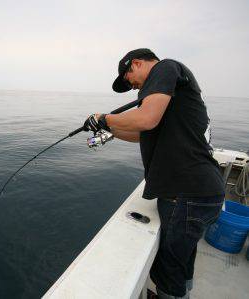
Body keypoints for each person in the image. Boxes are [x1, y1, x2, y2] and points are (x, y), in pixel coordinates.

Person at [84, 48, 225, 299]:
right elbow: (141, 132)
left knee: (168, 271)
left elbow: (146, 119)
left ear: (136, 64)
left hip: (187, 193)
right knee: (180, 261)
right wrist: (110, 128)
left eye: (129, 80)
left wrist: (104, 118)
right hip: (198, 192)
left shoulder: (165, 68)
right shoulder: (172, 91)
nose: (134, 88)